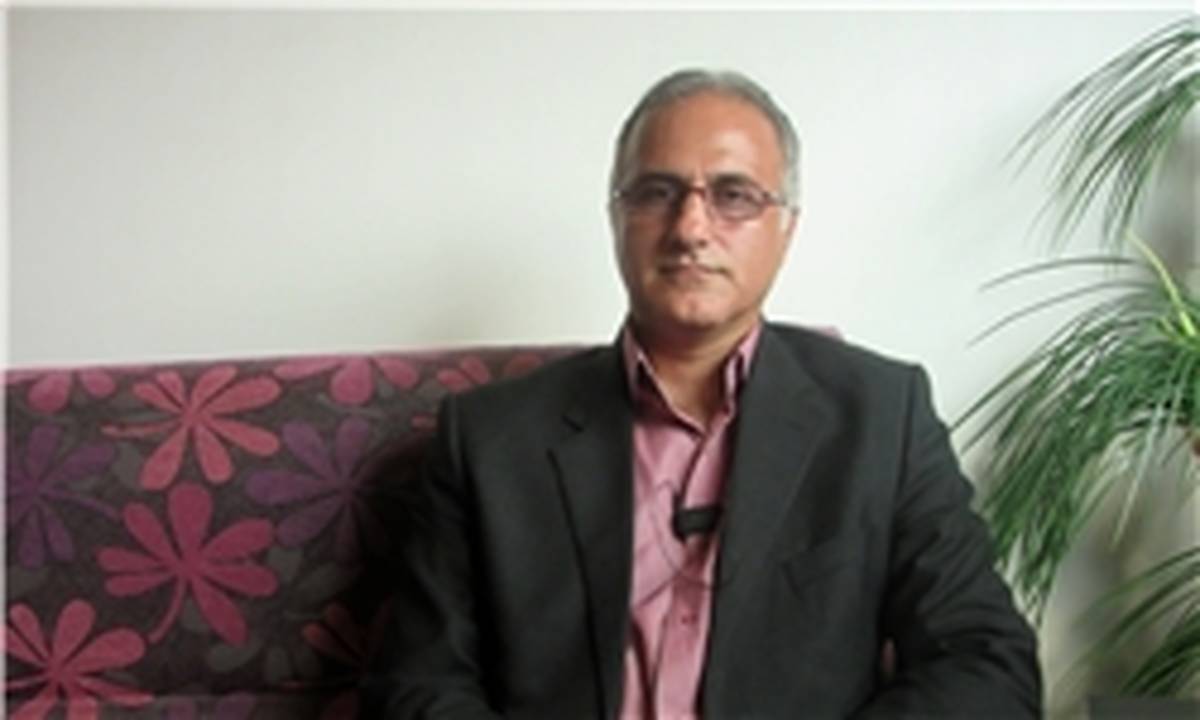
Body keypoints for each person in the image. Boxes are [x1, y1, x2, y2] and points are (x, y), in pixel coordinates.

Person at [362, 68, 1042, 718]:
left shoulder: (882, 419)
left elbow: (984, 662)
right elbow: (416, 688)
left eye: (734, 195)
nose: (690, 228)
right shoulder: (489, 439)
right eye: (657, 193)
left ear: (786, 228)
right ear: (616, 219)